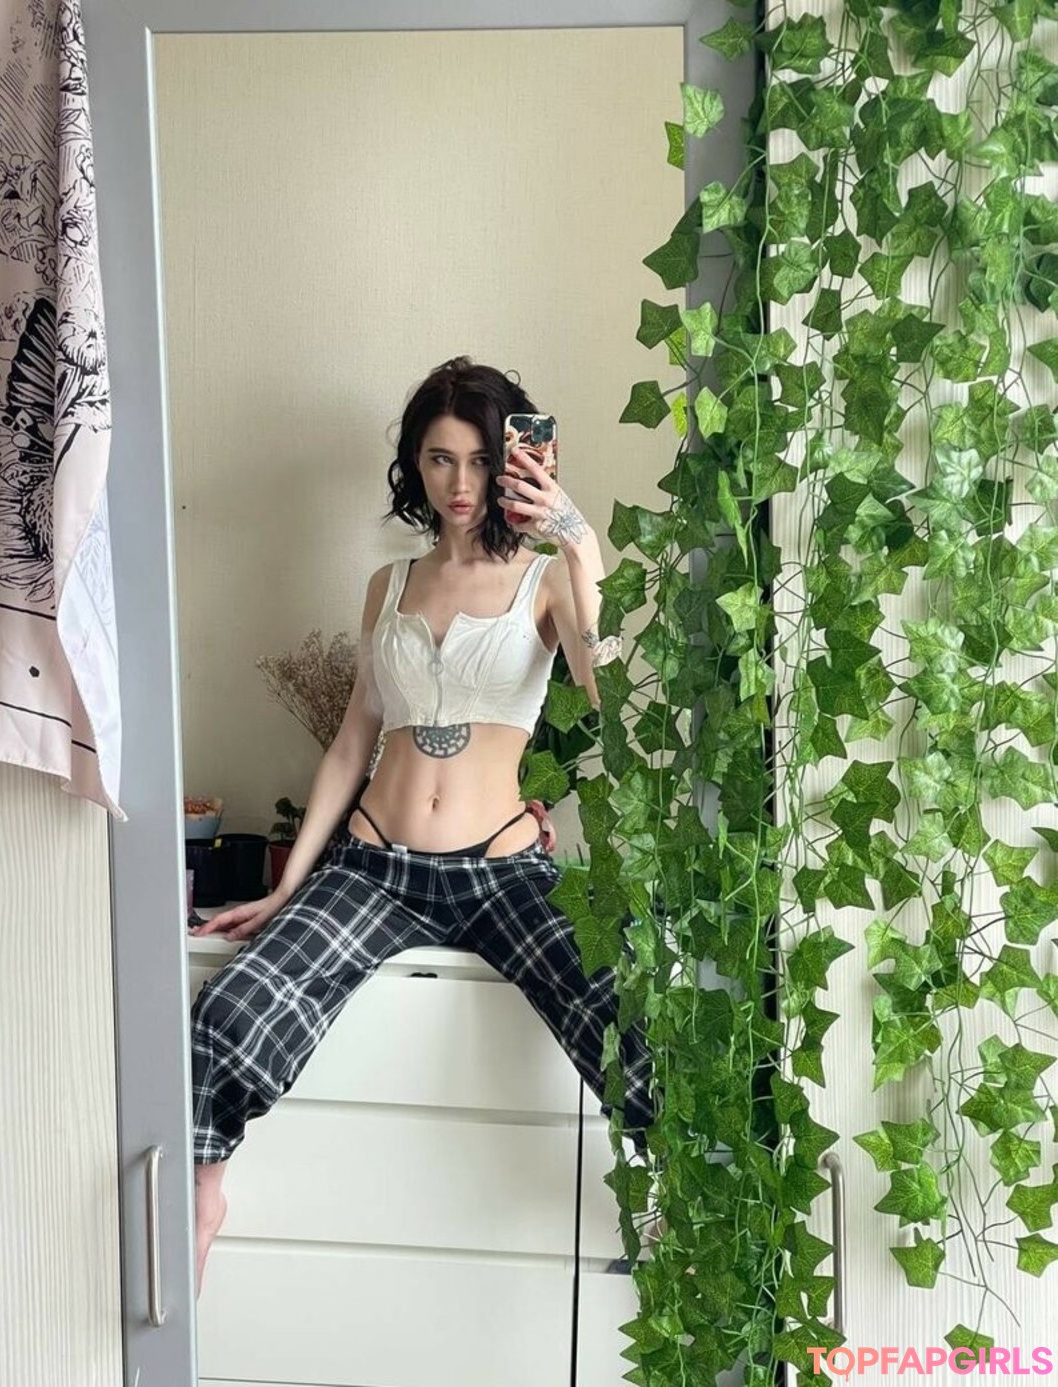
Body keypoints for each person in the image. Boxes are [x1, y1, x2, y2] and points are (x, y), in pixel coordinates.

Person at [188, 356, 651, 1290]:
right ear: (414, 464)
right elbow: (351, 743)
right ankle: (200, 1198)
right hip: (375, 865)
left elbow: (606, 697)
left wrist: (579, 542)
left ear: (515, 461)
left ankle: (677, 1215)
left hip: (502, 869)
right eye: (439, 459)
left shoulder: (547, 581)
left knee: (631, 1019)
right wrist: (288, 886)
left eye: (480, 459)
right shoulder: (388, 584)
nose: (460, 483)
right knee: (228, 1017)